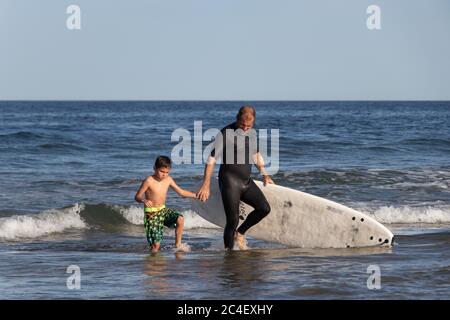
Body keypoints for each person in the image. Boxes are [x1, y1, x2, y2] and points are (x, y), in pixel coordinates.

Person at [196, 106, 274, 250]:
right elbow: (211, 159)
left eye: (248, 126)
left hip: (246, 181)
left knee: (264, 208)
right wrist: (206, 184)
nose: (245, 128)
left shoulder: (252, 133)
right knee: (232, 220)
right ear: (237, 119)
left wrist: (264, 173)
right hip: (229, 182)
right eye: (242, 125)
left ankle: (240, 233)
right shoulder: (226, 134)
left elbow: (255, 155)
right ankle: (229, 254)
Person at [135, 155, 197, 252]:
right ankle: (152, 262)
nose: (164, 174)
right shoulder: (149, 180)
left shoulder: (168, 180)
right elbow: (137, 196)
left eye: (167, 172)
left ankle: (178, 245)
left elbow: (181, 192)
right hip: (151, 214)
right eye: (162, 171)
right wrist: (144, 200)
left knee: (180, 219)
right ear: (155, 168)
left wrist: (196, 195)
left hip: (163, 210)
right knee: (156, 247)